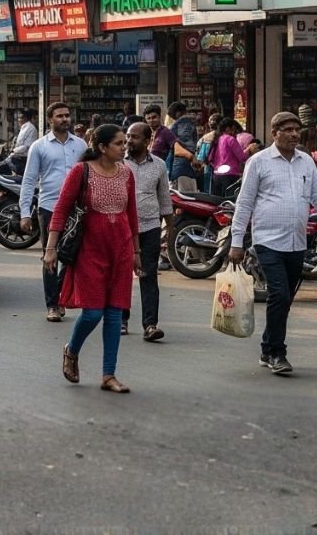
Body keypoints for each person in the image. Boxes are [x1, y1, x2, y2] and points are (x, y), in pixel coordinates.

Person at [228, 111, 317, 376]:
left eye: (296, 129)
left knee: (285, 299)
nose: (294, 134)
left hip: (297, 242)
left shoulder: (305, 163)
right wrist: (236, 241)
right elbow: (244, 203)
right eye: (287, 129)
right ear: (274, 133)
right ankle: (278, 353)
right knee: (278, 294)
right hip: (267, 240)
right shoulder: (258, 162)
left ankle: (268, 347)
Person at [43, 125, 141, 394]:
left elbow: (132, 215)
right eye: (119, 143)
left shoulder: (127, 174)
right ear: (102, 147)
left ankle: (109, 375)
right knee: (93, 313)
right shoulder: (81, 171)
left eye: (125, 143)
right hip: (90, 250)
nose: (125, 147)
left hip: (120, 250)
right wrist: (50, 249)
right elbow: (61, 209)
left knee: (114, 314)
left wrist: (136, 252)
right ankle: (72, 349)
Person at [20, 102, 88, 322]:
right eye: (59, 116)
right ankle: (52, 304)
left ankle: (61, 295)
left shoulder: (80, 145)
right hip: (49, 207)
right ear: (50, 120)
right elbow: (29, 180)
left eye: (67, 115)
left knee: (72, 256)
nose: (65, 119)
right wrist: (24, 212)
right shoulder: (39, 146)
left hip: (75, 211)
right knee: (50, 256)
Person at [121, 123, 173, 342]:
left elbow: (164, 198)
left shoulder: (159, 165)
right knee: (122, 275)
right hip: (122, 228)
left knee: (148, 275)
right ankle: (121, 319)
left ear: (147, 141)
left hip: (150, 227)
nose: (129, 141)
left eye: (134, 137)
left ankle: (150, 324)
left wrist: (169, 226)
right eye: (128, 136)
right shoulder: (119, 163)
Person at [166, 101, 200, 189]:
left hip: (181, 166)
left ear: (178, 113)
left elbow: (182, 145)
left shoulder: (183, 123)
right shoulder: (187, 123)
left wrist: (191, 158)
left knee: (184, 196)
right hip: (182, 167)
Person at [0, 108, 38, 174]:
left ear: (26, 118)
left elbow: (26, 146)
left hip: (24, 158)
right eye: (18, 118)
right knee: (5, 163)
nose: (18, 120)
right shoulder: (23, 128)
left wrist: (14, 151)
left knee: (7, 162)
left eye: (20, 118)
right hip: (19, 155)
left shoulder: (31, 128)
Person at [211, 118, 246, 196]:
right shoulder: (231, 139)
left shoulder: (218, 139)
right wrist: (249, 150)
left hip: (216, 175)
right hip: (230, 175)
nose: (234, 132)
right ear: (227, 128)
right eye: (233, 129)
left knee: (218, 202)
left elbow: (211, 158)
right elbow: (242, 157)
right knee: (229, 202)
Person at [195, 112, 222, 193]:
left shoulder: (205, 138)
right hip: (222, 167)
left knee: (208, 189)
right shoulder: (227, 137)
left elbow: (199, 156)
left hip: (208, 166)